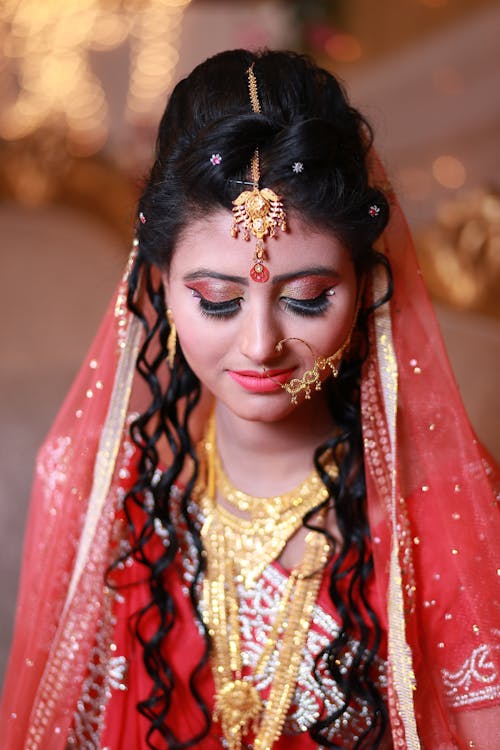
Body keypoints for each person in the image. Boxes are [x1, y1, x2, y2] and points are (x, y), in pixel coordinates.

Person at [0, 49, 498, 750]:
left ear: (363, 289)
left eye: (307, 298)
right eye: (217, 301)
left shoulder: (441, 511)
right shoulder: (109, 495)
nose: (261, 344)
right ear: (160, 288)